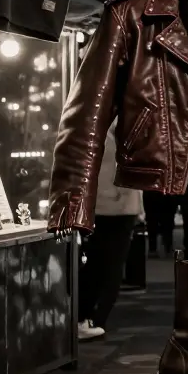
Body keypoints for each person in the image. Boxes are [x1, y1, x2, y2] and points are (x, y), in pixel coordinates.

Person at [78, 126, 143, 341]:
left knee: (105, 265)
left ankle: (93, 319)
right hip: (113, 205)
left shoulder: (108, 127)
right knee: (104, 264)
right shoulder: (122, 125)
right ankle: (92, 318)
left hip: (113, 205)